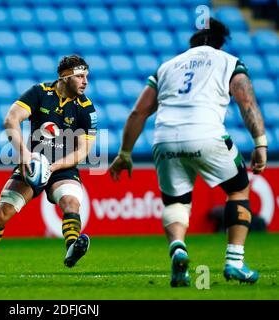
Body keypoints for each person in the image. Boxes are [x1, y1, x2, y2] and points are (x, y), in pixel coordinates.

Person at [109, 18, 267, 287]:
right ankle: (234, 262)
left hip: (165, 138)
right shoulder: (228, 61)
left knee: (176, 202)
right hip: (206, 134)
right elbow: (246, 100)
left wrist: (125, 152)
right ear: (220, 42)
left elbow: (138, 112)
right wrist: (260, 142)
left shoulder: (167, 67)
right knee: (238, 189)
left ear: (192, 42)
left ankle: (179, 249)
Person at [0, 55, 97, 276]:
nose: (85, 81)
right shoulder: (40, 93)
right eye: (80, 76)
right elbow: (11, 120)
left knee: (71, 202)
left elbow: (83, 151)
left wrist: (54, 167)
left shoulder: (86, 108)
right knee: (2, 213)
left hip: (62, 167)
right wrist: (25, 155)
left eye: (87, 77)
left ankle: (72, 246)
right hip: (33, 162)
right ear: (64, 77)